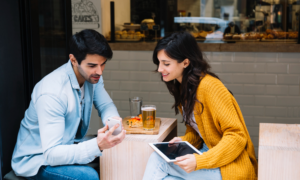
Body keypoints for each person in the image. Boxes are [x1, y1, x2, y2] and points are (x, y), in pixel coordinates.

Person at [11, 29, 126, 180]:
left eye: (103, 64)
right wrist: (97, 145)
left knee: (118, 156)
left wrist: (114, 125)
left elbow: (106, 106)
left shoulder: (93, 77)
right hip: (37, 160)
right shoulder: (52, 93)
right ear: (73, 60)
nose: (99, 71)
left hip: (68, 144)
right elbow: (51, 154)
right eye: (92, 65)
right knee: (88, 176)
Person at [142, 31, 258, 180]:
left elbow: (237, 136)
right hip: (206, 155)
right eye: (159, 63)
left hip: (229, 165)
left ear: (185, 62)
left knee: (158, 161)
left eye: (166, 64)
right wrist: (184, 142)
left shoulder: (210, 87)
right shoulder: (183, 87)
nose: (159, 69)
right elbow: (199, 132)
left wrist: (199, 161)